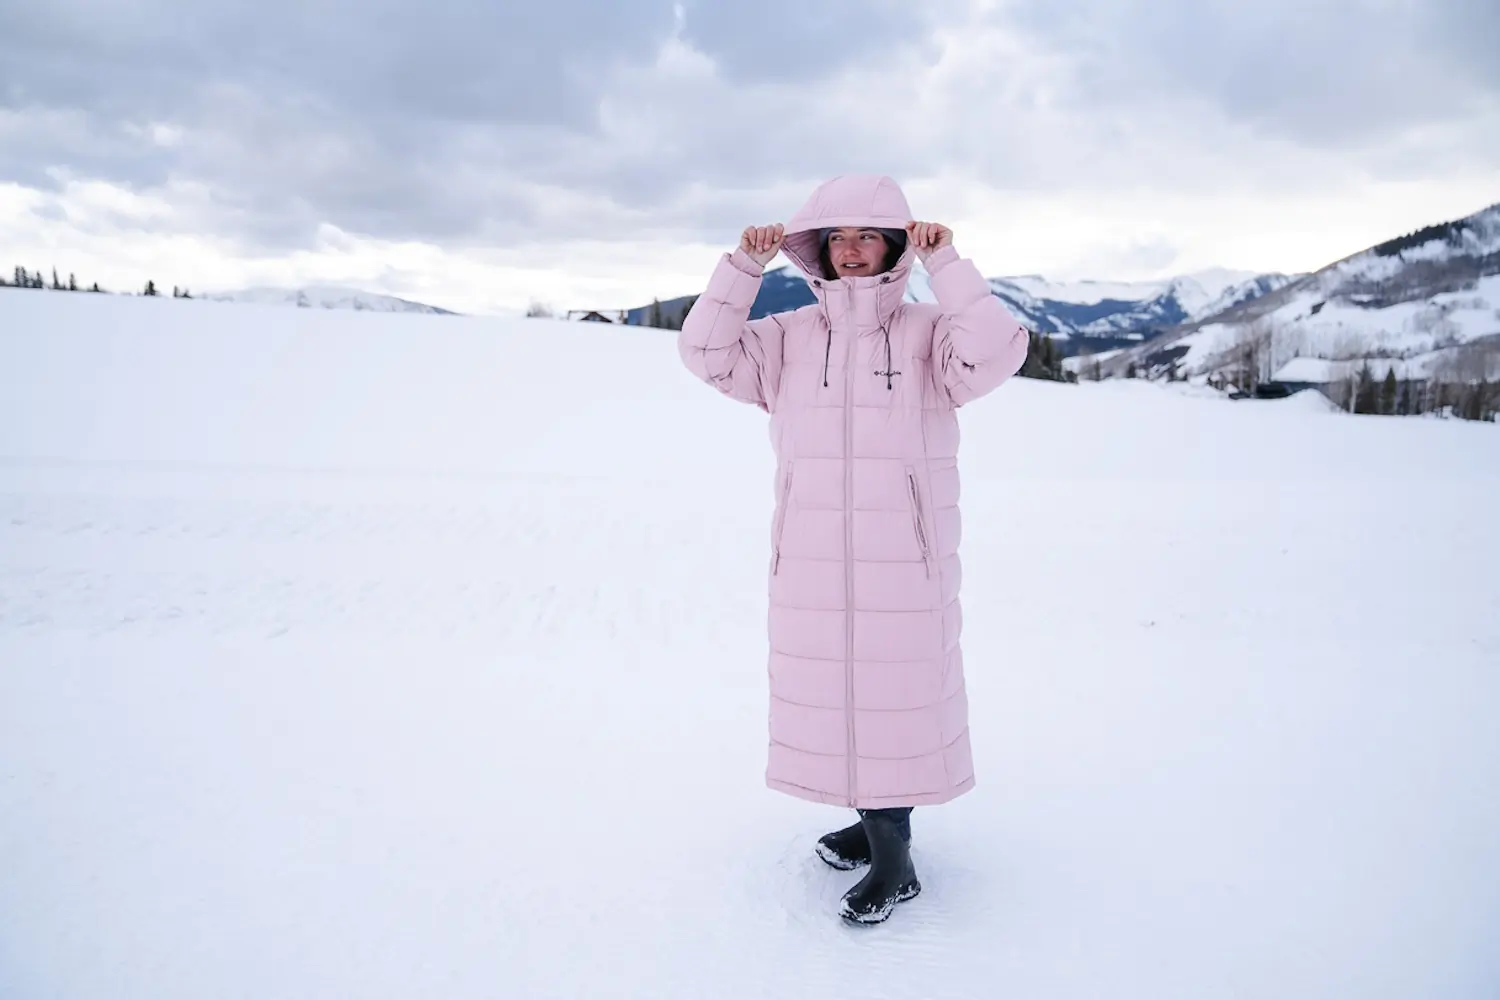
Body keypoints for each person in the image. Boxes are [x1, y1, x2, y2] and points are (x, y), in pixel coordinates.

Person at [676, 174, 1029, 925]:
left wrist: (952, 264)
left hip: (905, 555)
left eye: (869, 235)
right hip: (808, 556)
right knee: (831, 693)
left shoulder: (931, 333)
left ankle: (894, 856)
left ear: (897, 244)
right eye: (837, 237)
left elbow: (999, 354)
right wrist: (741, 269)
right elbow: (706, 354)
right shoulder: (789, 338)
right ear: (818, 250)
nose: (852, 250)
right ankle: (871, 823)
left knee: (894, 695)